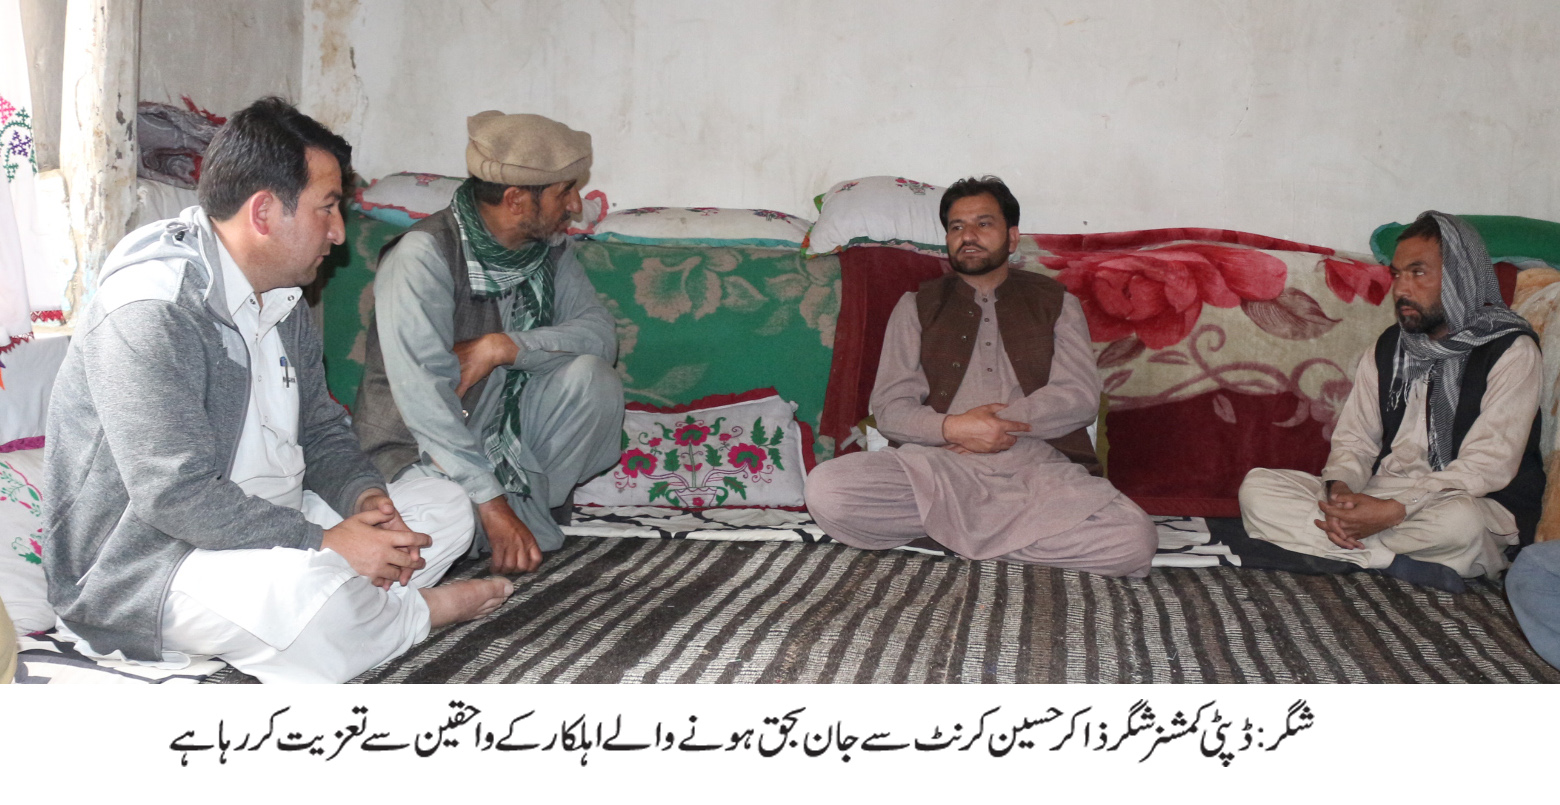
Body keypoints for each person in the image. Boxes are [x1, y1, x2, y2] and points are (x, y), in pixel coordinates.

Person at [41, 97, 511, 683]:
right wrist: (325, 542)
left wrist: (364, 502)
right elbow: (173, 495)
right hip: (159, 560)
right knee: (303, 592)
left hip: (274, 523)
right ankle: (413, 614)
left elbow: (322, 430)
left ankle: (357, 612)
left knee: (445, 508)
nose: (339, 233)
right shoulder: (152, 307)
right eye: (328, 208)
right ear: (263, 212)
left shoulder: (284, 295)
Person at [805, 176, 1157, 577]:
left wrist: (993, 428)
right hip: (937, 465)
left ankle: (949, 536)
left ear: (1012, 238)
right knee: (827, 491)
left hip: (1035, 468)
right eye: (957, 227)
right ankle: (1002, 538)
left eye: (983, 223)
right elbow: (890, 409)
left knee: (1133, 540)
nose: (968, 236)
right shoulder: (915, 305)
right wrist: (955, 429)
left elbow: (1078, 396)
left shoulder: (1056, 302)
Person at [353, 112, 622, 575]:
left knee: (592, 379)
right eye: (564, 191)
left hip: (494, 437)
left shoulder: (549, 252)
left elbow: (600, 335)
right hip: (417, 449)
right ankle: (491, 520)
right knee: (431, 523)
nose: (576, 205)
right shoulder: (422, 256)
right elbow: (426, 405)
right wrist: (489, 501)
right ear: (516, 200)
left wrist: (503, 346)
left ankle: (507, 521)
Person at [1239, 211, 1545, 591]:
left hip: (1465, 500)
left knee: (1460, 524)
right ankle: (1391, 560)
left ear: (1460, 277)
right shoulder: (1388, 348)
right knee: (1257, 489)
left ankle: (1340, 548)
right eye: (1397, 274)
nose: (1401, 289)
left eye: (1418, 273)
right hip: (1382, 492)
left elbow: (1487, 466)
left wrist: (1395, 511)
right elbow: (1355, 441)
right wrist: (1342, 493)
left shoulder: (1511, 350)